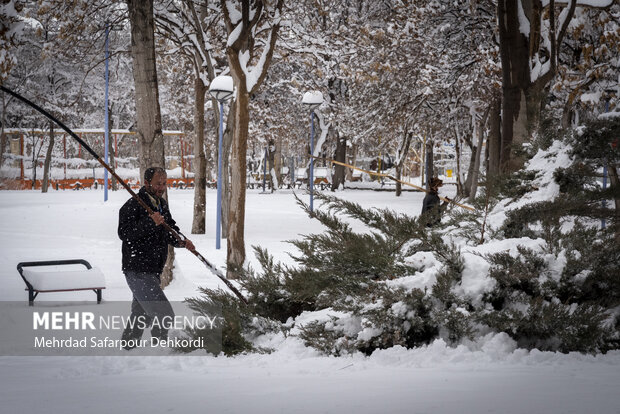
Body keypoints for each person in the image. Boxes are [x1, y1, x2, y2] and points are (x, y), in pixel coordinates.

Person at [118, 167, 195, 349]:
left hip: (152, 270)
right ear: (146, 183)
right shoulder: (133, 205)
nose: (161, 187)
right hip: (138, 269)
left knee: (141, 313)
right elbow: (125, 233)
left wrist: (182, 241)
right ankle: (161, 352)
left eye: (164, 183)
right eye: (158, 183)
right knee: (163, 314)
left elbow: (168, 229)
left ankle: (127, 349)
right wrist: (149, 222)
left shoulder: (160, 204)